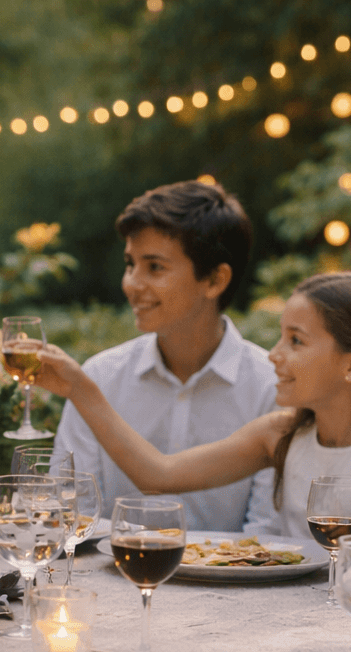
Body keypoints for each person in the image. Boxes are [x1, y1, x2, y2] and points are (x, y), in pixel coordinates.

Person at [36, 271, 351, 554]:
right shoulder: (279, 435)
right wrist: (81, 389)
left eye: (296, 341)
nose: (273, 354)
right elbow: (158, 474)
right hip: (289, 631)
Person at [51, 180, 279, 533]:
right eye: (130, 264)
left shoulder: (271, 387)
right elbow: (71, 517)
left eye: (155, 267)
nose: (131, 283)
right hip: (114, 580)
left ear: (215, 280)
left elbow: (268, 534)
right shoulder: (99, 376)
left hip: (236, 586)